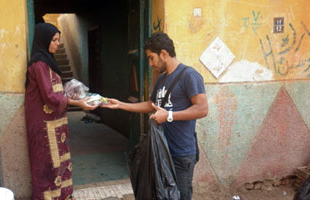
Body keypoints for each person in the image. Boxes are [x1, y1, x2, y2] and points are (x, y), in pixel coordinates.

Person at [102, 32, 208, 200]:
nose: (150, 64)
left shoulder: (189, 75)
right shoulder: (161, 80)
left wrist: (169, 116)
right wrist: (120, 105)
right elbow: (150, 105)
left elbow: (202, 109)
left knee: (180, 196)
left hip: (181, 153)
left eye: (152, 58)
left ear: (164, 54)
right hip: (160, 152)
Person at [25, 23, 97, 200]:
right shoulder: (39, 64)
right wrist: (79, 103)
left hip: (54, 122)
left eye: (59, 40)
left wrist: (69, 92)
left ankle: (62, 195)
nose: (58, 43)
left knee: (58, 162)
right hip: (44, 125)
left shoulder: (48, 61)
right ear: (44, 40)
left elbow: (53, 91)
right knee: (47, 164)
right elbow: (49, 96)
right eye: (54, 40)